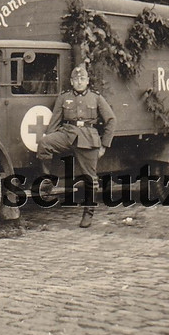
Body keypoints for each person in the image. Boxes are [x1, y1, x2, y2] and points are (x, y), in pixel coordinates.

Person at [36, 65, 116, 227]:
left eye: (82, 79)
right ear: (71, 82)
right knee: (45, 143)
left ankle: (88, 213)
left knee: (90, 178)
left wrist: (104, 145)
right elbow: (55, 121)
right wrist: (51, 136)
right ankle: (48, 182)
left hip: (88, 138)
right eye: (76, 80)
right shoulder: (64, 97)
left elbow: (111, 120)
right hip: (67, 134)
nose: (79, 82)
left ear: (87, 81)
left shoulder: (96, 98)